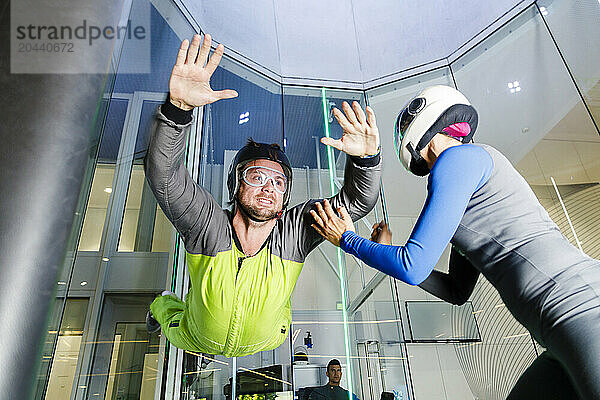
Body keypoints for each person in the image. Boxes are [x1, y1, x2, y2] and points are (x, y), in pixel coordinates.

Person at [311, 85, 600, 399]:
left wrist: (346, 238)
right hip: (556, 326)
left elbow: (412, 265)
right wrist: (388, 251)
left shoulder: (457, 158)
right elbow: (456, 291)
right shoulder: (466, 186)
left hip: (580, 306)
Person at [144, 33, 382, 358]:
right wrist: (178, 110)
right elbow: (165, 175)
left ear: (285, 198)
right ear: (236, 185)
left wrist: (366, 160)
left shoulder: (296, 232)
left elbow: (356, 203)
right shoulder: (207, 227)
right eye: (257, 177)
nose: (269, 187)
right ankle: (161, 303)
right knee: (170, 317)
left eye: (279, 183)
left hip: (270, 338)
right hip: (195, 335)